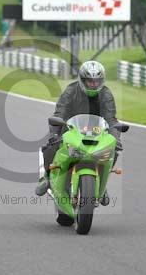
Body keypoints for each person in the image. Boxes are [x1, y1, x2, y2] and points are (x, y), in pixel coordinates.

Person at [35, 60, 122, 199]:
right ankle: (46, 177)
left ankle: (101, 185)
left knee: (113, 149)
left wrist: (115, 138)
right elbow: (60, 112)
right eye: (90, 81)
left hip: (96, 133)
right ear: (82, 80)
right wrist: (55, 132)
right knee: (50, 146)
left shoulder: (106, 94)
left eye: (97, 81)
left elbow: (111, 118)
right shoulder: (70, 91)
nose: (94, 84)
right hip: (70, 130)